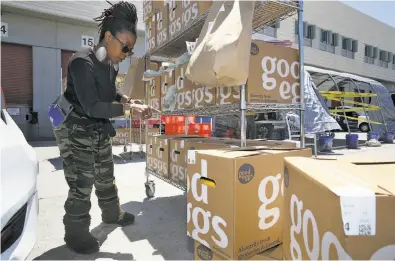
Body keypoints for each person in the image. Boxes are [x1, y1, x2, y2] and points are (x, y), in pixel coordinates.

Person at [52, 1, 151, 254]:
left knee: (106, 174)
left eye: (130, 50)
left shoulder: (108, 64)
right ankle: (75, 233)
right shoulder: (80, 62)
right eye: (125, 47)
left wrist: (125, 100)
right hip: (75, 126)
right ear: (108, 36)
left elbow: (110, 89)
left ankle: (112, 214)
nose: (127, 54)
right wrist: (129, 111)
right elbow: (92, 106)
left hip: (97, 127)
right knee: (82, 181)